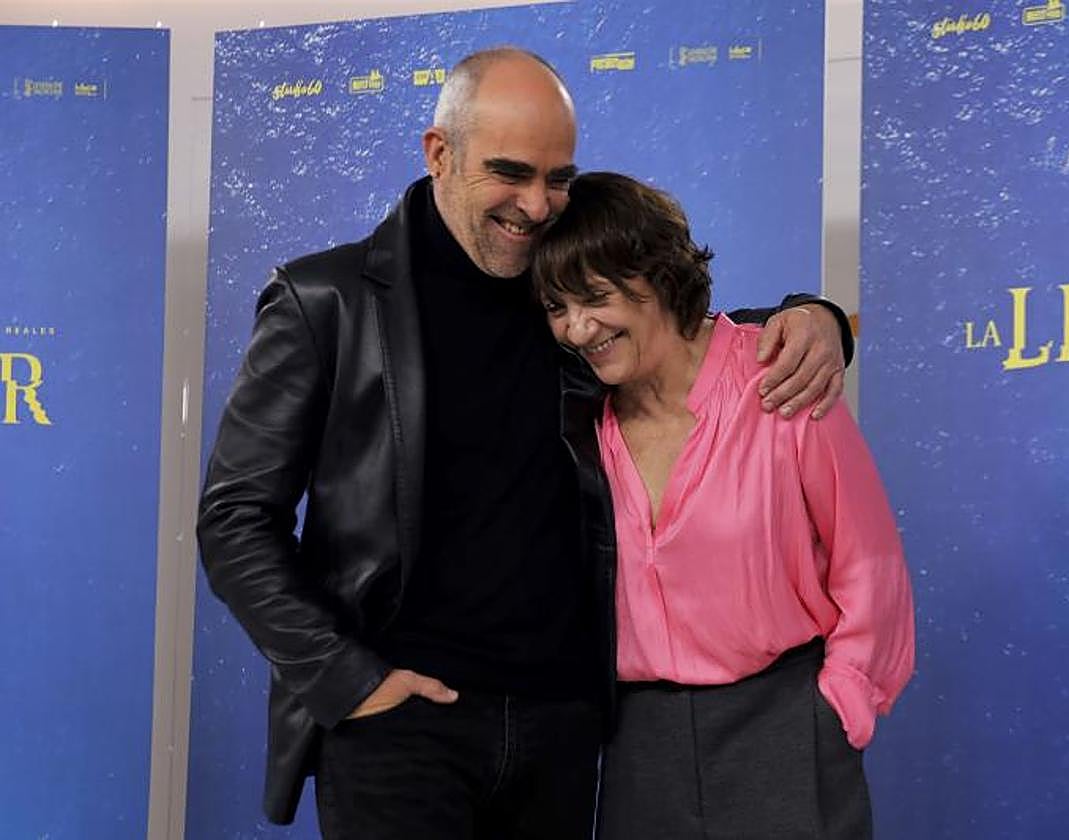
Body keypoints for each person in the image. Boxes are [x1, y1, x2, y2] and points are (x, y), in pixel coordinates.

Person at [197, 48, 854, 839]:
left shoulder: (565, 291)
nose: (537, 206)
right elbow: (234, 519)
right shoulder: (324, 301)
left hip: (561, 729)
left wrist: (811, 315)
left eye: (557, 179)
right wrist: (348, 680)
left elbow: (681, 334)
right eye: (509, 173)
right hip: (400, 730)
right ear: (439, 153)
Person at [531, 171, 914, 840]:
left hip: (784, 728)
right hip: (637, 749)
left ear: (657, 275)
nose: (578, 328)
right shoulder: (575, 414)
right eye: (557, 307)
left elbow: (869, 561)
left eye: (594, 297)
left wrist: (841, 706)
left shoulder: (782, 377)